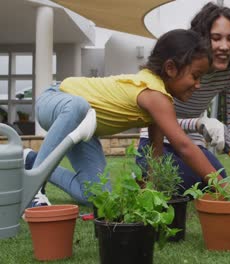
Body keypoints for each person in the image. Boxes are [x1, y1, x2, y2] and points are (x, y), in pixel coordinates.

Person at [25, 29, 220, 206]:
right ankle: (35, 189)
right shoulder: (153, 93)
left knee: (97, 196)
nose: (198, 85)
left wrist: (149, 192)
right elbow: (184, 146)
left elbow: (156, 154)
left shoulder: (159, 97)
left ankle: (30, 161)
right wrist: (222, 186)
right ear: (170, 68)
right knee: (79, 106)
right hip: (55, 99)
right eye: (195, 76)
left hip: (83, 129)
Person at [136, 2, 230, 192]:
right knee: (185, 182)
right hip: (156, 140)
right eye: (216, 38)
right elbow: (158, 119)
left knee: (217, 178)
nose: (225, 46)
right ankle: (142, 176)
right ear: (202, 39)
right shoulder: (181, 65)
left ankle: (149, 177)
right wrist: (199, 124)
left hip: (193, 144)